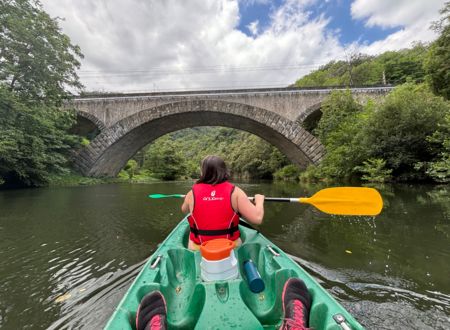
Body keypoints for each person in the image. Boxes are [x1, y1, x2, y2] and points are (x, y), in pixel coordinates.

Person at [181, 155, 265, 250]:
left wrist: (188, 199)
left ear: (203, 172)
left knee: (191, 238)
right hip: (229, 247)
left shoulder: (191, 193)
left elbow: (184, 209)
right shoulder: (236, 192)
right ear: (224, 171)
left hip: (200, 247)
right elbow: (257, 218)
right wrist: (259, 200)